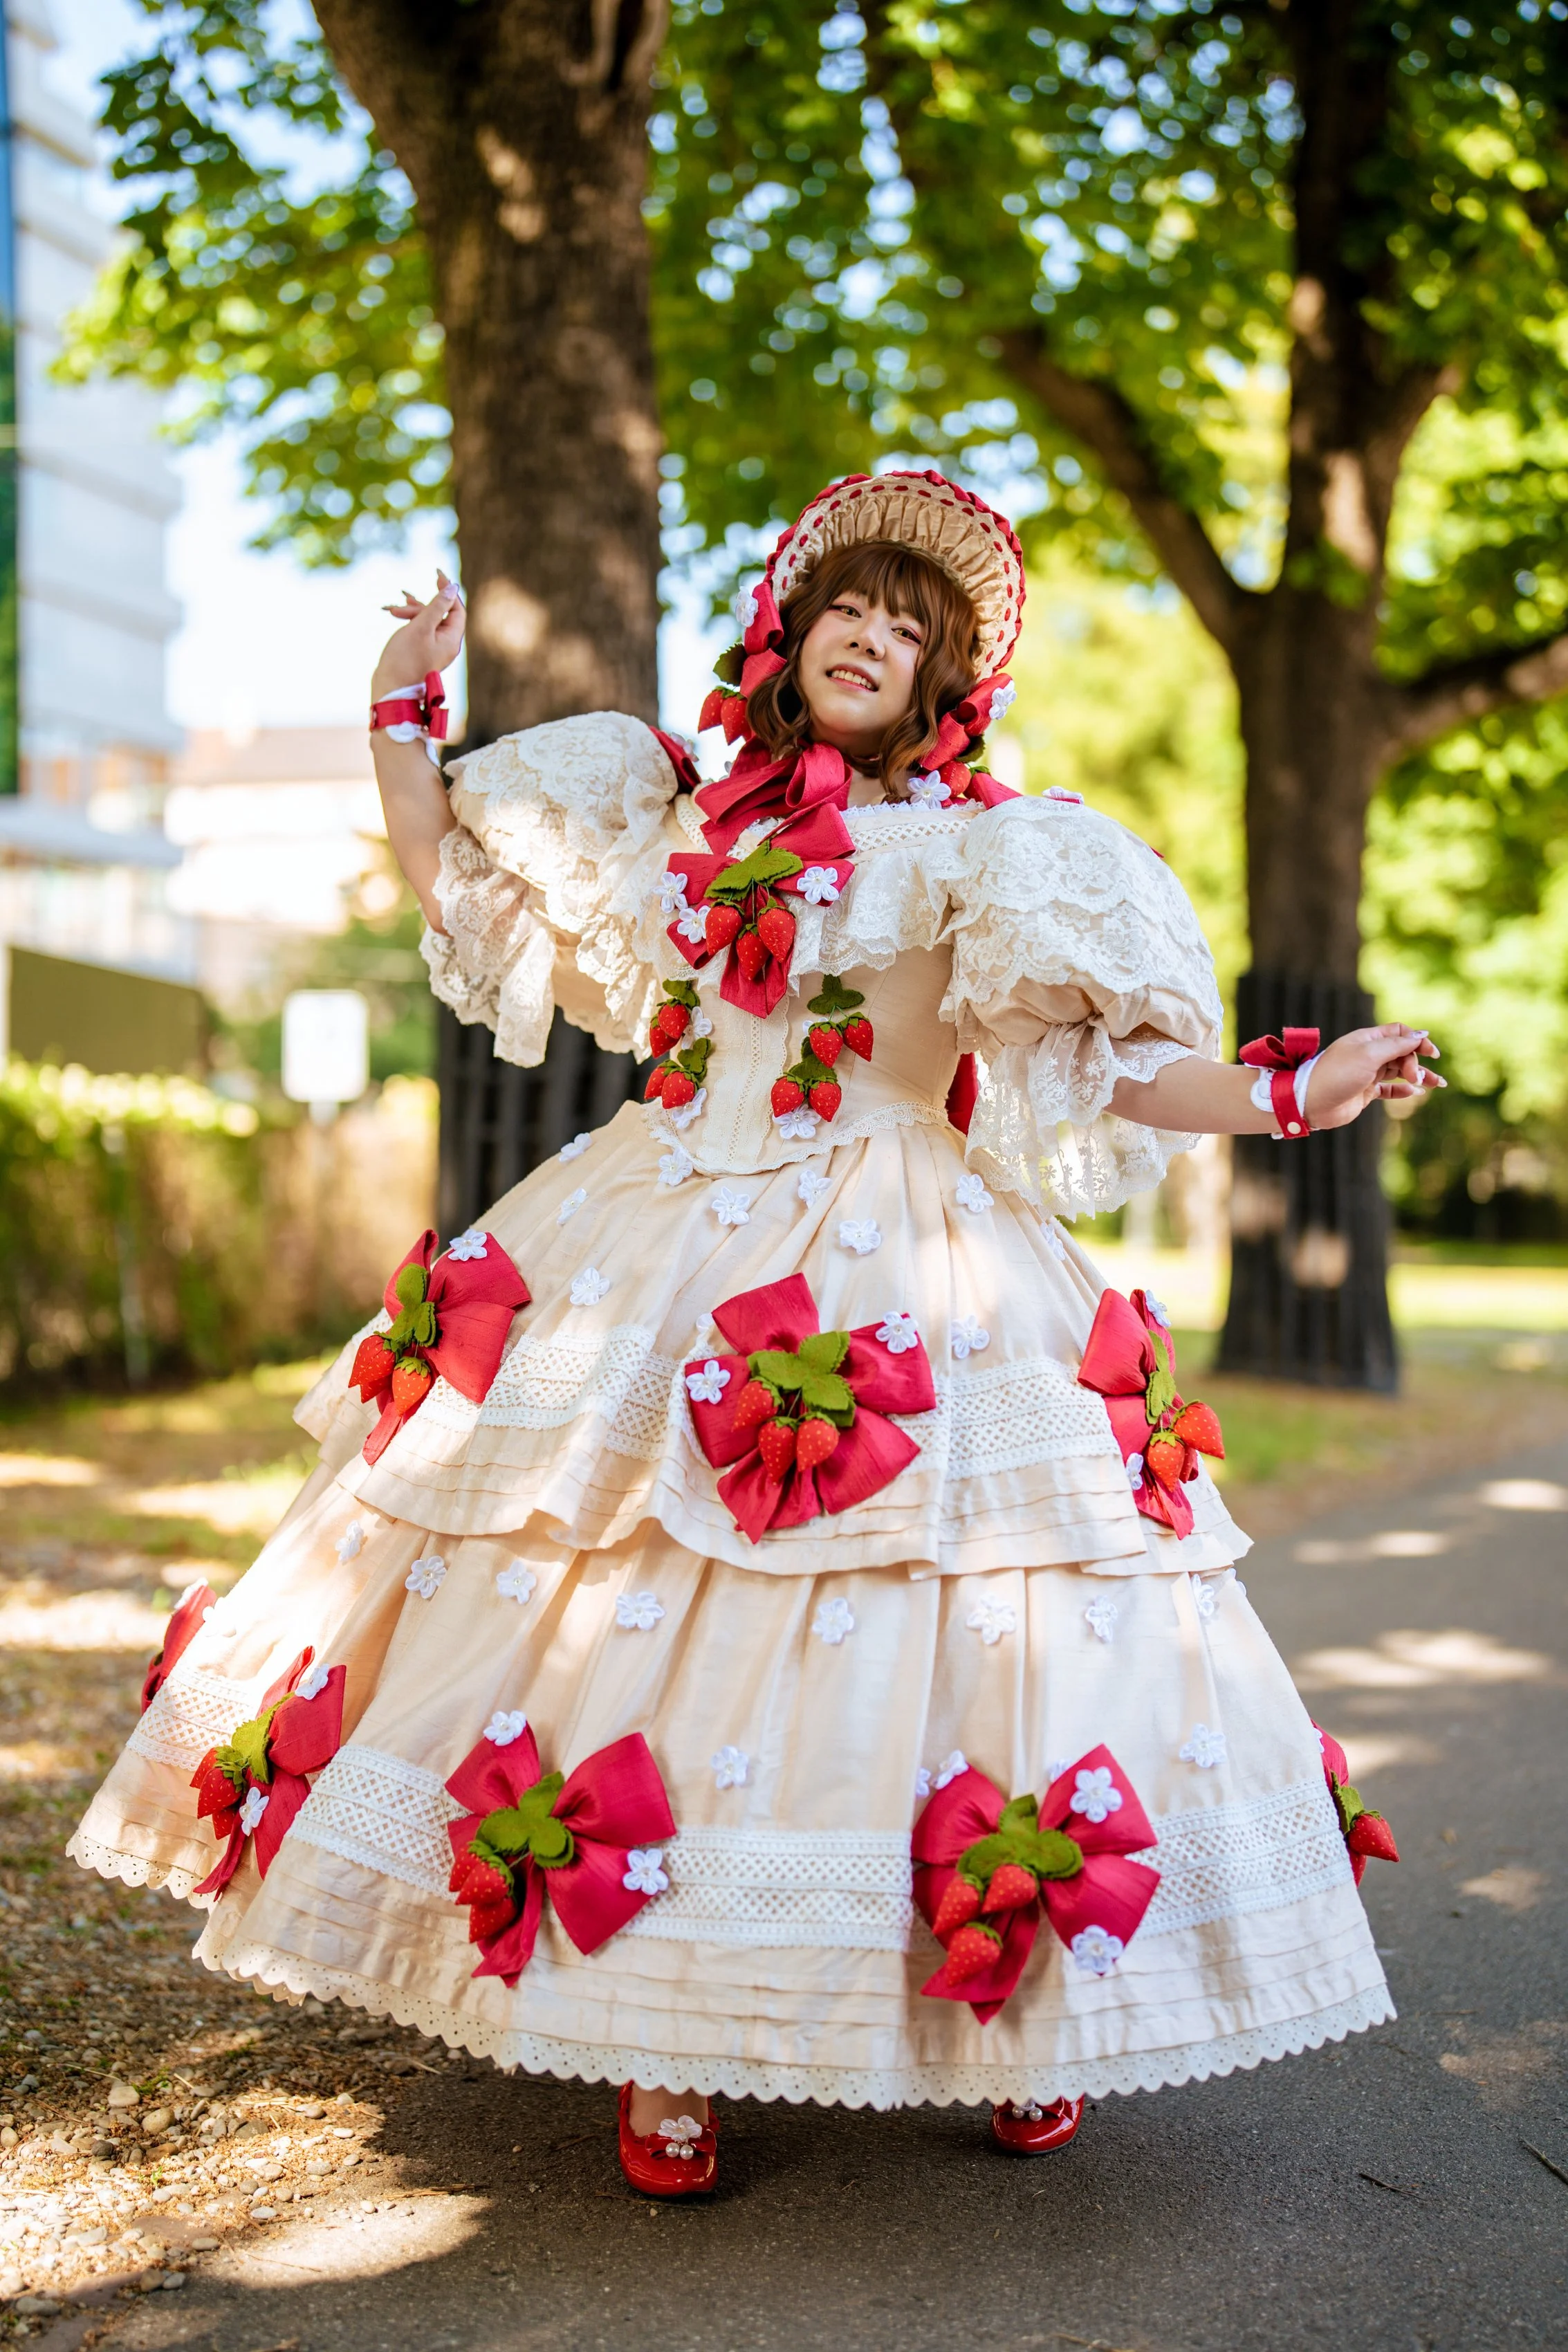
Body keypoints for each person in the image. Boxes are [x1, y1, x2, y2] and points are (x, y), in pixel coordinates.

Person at [71, 470, 1439, 2199]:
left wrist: (1297, 1091)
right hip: (656, 1230)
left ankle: (1024, 2013)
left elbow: (1109, 1069)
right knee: (637, 1617)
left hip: (909, 1251)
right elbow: (454, 880)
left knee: (987, 1627)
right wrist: (399, 707)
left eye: (905, 628)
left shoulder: (991, 853)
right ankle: (664, 2037)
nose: (865, 636)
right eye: (841, 608)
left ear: (945, 683)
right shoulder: (673, 823)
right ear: (785, 640)